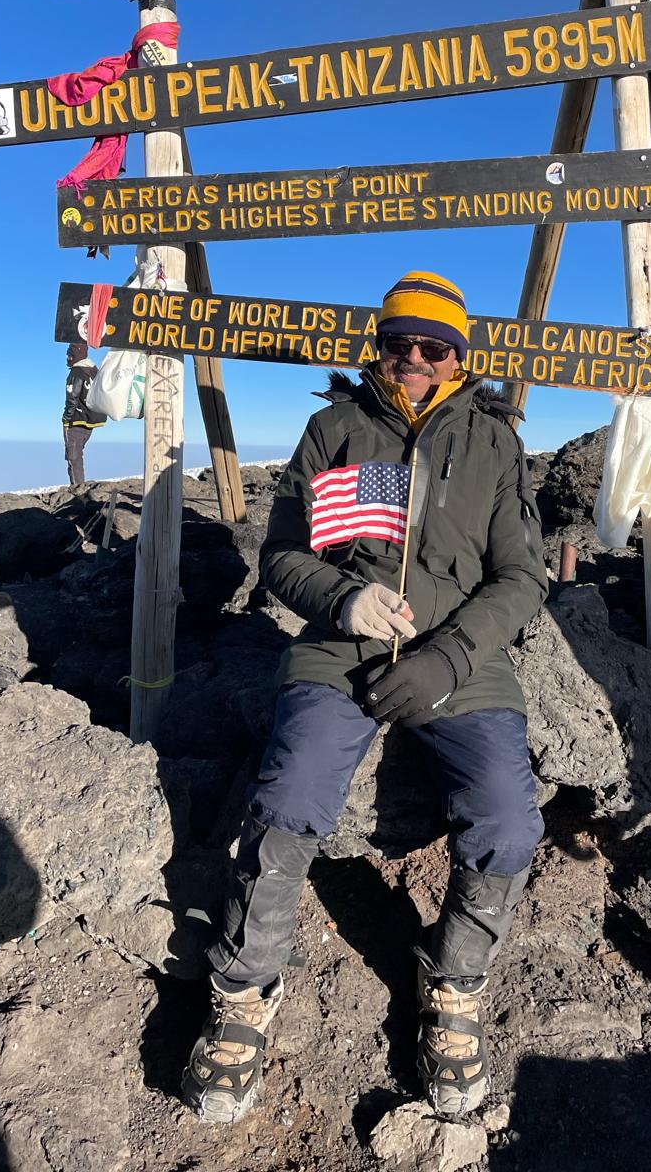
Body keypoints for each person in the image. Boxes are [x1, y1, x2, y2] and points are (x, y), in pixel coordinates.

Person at [183, 270, 548, 1126]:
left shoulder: (495, 443)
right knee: (287, 800)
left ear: (460, 357)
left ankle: (453, 986)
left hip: (461, 661)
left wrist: (451, 656)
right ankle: (244, 992)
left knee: (507, 819)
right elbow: (280, 555)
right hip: (338, 651)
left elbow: (522, 576)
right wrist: (341, 600)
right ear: (379, 348)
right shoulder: (333, 429)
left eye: (434, 346)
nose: (414, 359)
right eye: (399, 343)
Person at [62, 342, 106, 486]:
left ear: (76, 355)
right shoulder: (94, 371)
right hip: (92, 420)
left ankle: (77, 489)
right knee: (77, 453)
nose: (67, 357)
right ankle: (79, 486)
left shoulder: (77, 372)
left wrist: (66, 419)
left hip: (77, 420)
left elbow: (72, 397)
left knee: (73, 456)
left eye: (70, 354)